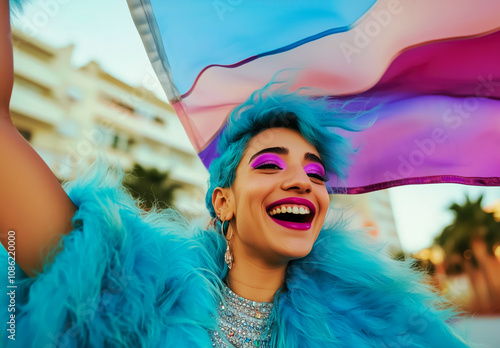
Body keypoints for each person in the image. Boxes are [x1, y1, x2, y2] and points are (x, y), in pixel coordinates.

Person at [1, 2, 469, 347]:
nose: (302, 181)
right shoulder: (134, 294)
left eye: (316, 173)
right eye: (269, 164)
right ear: (222, 201)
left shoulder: (379, 325)